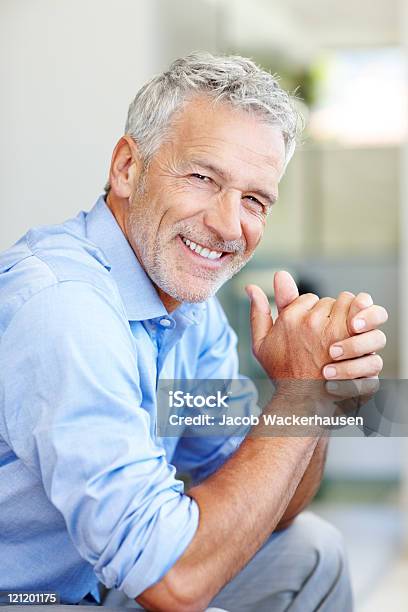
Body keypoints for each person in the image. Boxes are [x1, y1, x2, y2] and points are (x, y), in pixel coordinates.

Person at [0, 52, 387, 612]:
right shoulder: (64, 310)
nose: (229, 226)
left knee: (311, 551)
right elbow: (175, 582)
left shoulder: (189, 307)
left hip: (99, 583)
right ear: (128, 168)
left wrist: (314, 389)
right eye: (204, 178)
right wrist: (301, 392)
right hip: (27, 598)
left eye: (254, 199)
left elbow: (266, 506)